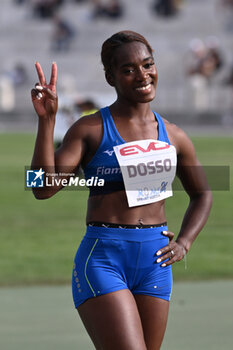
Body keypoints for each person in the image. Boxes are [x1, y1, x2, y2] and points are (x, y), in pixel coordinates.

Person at [30, 30, 212, 350]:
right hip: (104, 260)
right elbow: (40, 188)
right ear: (110, 77)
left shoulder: (175, 135)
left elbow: (203, 194)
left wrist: (184, 241)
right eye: (128, 69)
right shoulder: (90, 129)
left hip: (155, 261)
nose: (142, 75)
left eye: (147, 64)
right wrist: (47, 121)